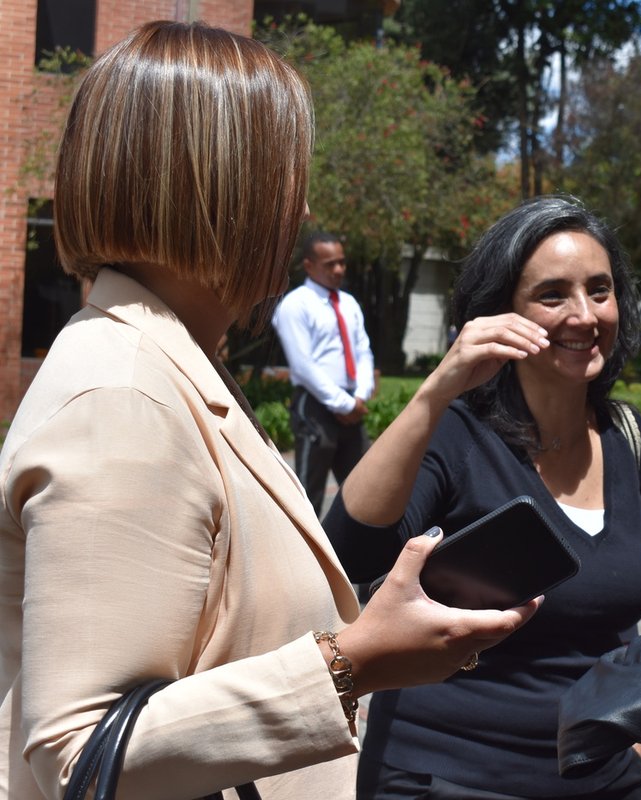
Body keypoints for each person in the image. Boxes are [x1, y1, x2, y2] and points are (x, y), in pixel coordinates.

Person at [0, 21, 536, 800]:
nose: (303, 204)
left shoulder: (167, 363)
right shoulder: (124, 393)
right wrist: (352, 666)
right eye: (285, 175)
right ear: (213, 186)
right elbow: (80, 755)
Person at [323, 196, 641, 799]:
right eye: (553, 294)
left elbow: (613, 613)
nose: (584, 315)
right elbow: (350, 555)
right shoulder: (456, 434)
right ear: (503, 314)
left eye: (601, 289)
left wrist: (627, 723)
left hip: (604, 783)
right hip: (451, 779)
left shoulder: (626, 437)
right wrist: (435, 391)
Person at [272, 231, 375, 516]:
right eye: (330, 264)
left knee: (364, 488)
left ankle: (358, 555)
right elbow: (303, 365)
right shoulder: (296, 305)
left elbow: (363, 350)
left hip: (352, 403)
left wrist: (360, 395)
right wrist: (341, 402)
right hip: (317, 406)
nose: (339, 270)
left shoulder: (349, 303)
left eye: (341, 262)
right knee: (308, 493)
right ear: (309, 265)